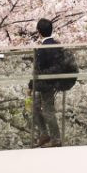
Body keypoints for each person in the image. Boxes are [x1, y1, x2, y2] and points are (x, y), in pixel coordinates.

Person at [29, 18, 62, 147]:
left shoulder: (43, 48)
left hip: (45, 83)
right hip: (50, 82)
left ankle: (55, 138)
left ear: (39, 31)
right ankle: (45, 134)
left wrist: (31, 85)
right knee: (36, 106)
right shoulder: (55, 44)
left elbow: (37, 69)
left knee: (47, 110)